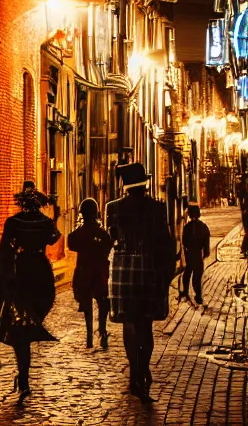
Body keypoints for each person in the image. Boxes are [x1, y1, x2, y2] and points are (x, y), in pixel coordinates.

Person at [106, 163, 175, 403]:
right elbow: (166, 243)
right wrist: (167, 274)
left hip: (123, 271)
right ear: (144, 184)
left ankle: (134, 372)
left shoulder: (112, 208)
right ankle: (143, 368)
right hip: (149, 269)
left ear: (125, 185)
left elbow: (112, 239)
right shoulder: (157, 208)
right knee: (145, 325)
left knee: (129, 324)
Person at [0, 181, 60, 404]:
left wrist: (1, 280)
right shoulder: (46, 223)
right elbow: (54, 238)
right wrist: (54, 214)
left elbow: (5, 251)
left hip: (21, 273)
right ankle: (24, 378)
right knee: (29, 325)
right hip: (41, 273)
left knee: (21, 330)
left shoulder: (13, 223)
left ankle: (24, 378)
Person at [68, 198, 112, 349]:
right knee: (103, 302)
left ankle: (89, 335)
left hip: (84, 271)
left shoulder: (79, 233)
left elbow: (71, 243)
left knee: (86, 304)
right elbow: (108, 244)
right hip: (99, 272)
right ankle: (103, 330)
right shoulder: (102, 234)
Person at [180, 204, 210, 305]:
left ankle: (185, 291)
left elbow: (184, 241)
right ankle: (198, 295)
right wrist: (205, 253)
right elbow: (206, 242)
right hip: (198, 253)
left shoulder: (187, 227)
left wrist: (187, 249)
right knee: (198, 275)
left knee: (187, 272)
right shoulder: (203, 227)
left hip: (190, 253)